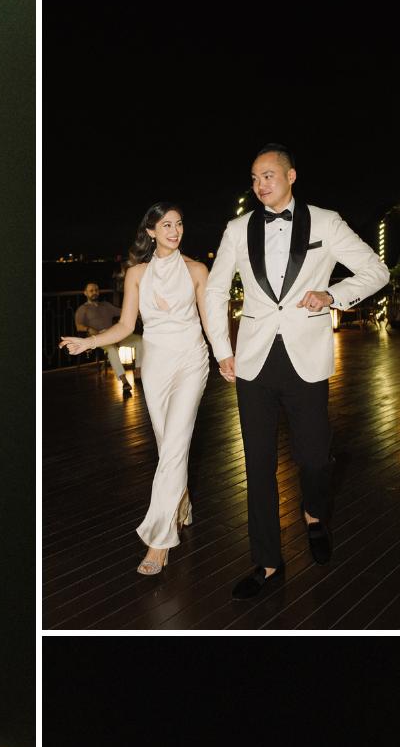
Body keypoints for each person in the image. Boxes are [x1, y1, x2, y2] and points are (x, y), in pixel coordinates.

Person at [204, 144, 390, 600]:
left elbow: (376, 270)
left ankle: (314, 513)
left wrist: (332, 295)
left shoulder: (326, 221)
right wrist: (222, 350)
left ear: (291, 176)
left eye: (267, 175)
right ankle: (267, 563)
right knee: (259, 465)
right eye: (253, 177)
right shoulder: (235, 229)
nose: (259, 184)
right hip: (253, 361)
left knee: (312, 458)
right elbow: (213, 293)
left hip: (306, 358)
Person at [62, 204, 210, 576]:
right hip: (156, 364)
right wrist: (89, 344)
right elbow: (126, 324)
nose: (175, 230)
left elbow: (211, 321)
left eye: (179, 223)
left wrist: (228, 357)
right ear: (151, 232)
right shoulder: (137, 274)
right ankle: (183, 499)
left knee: (175, 444)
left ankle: (159, 541)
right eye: (166, 225)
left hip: (193, 359)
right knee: (167, 444)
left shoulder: (197, 269)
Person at [73, 281, 143, 399]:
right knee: (111, 349)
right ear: (85, 293)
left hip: (114, 334)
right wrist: (89, 329)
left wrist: (139, 311)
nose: (94, 292)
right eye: (91, 291)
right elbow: (78, 325)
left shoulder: (106, 305)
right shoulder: (83, 309)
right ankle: (124, 380)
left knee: (139, 340)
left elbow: (123, 312)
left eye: (96, 290)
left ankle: (138, 372)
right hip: (99, 337)